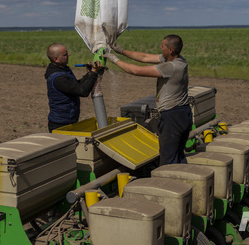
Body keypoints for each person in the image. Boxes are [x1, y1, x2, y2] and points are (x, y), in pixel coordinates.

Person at [106, 35, 191, 166]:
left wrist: (114, 59)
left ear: (171, 50)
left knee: (168, 159)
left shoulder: (171, 67)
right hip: (182, 112)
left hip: (172, 116)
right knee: (178, 155)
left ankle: (170, 184)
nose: (160, 48)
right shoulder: (179, 60)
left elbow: (136, 70)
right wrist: (121, 50)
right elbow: (144, 57)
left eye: (162, 46)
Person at [45, 43, 102, 132]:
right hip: (60, 125)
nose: (68, 55)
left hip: (68, 121)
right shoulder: (58, 78)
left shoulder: (63, 71)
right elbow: (82, 91)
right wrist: (94, 72)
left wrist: (89, 74)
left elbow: (75, 86)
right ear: (56, 59)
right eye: (65, 54)